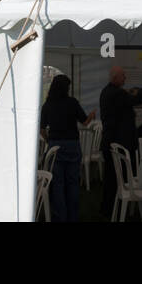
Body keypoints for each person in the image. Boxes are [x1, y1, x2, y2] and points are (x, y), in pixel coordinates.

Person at [99, 66, 142, 219]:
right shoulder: (117, 93)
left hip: (111, 141)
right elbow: (137, 100)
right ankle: (119, 209)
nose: (125, 78)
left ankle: (110, 209)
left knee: (112, 179)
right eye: (123, 76)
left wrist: (129, 94)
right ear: (115, 78)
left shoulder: (107, 92)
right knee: (118, 178)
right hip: (120, 143)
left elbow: (125, 102)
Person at [40, 75, 95, 222]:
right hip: (72, 145)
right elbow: (85, 122)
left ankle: (60, 217)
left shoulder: (47, 105)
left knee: (57, 184)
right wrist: (92, 115)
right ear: (66, 88)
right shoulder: (72, 102)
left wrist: (49, 140)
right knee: (72, 183)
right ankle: (73, 216)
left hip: (55, 146)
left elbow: (42, 129)